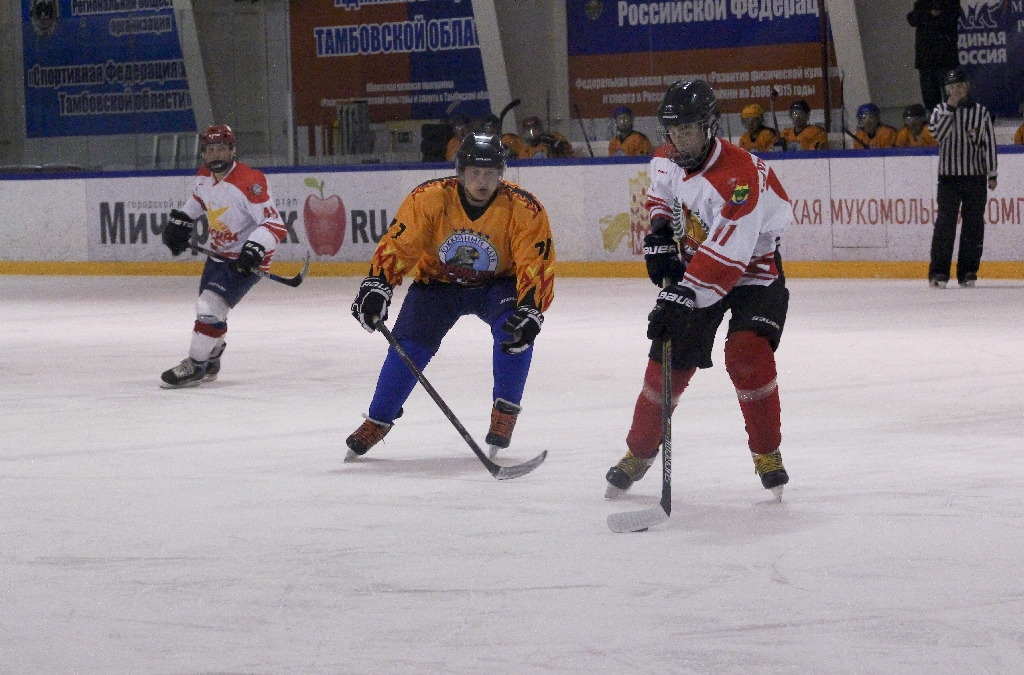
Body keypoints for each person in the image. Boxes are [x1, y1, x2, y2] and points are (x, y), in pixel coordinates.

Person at [605, 80, 793, 499]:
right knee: (668, 359)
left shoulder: (740, 177)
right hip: (699, 263)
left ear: (710, 127)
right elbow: (660, 193)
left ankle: (767, 451)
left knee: (746, 354)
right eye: (673, 130)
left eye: (688, 130)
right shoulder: (666, 156)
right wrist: (658, 232)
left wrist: (683, 295)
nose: (680, 140)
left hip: (753, 271)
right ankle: (638, 451)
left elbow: (730, 255)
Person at [346, 133, 556, 461]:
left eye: (490, 174)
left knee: (514, 332)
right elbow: (399, 245)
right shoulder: (429, 198)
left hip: (499, 284)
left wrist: (531, 309)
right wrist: (378, 284)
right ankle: (378, 419)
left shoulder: (524, 208)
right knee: (408, 345)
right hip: (438, 284)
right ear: (460, 172)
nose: (483, 181)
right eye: (475, 173)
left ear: (501, 173)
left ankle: (505, 410)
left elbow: (535, 262)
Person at [159, 124, 287, 388]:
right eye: (210, 150)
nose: (215, 155)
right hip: (218, 255)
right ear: (203, 153)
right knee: (211, 311)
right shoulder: (204, 176)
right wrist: (182, 219)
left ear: (232, 151)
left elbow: (274, 225)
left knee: (209, 307)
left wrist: (253, 249)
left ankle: (195, 365)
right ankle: (212, 358)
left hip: (246, 261)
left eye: (221, 149)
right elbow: (198, 201)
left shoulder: (250, 181)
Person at [928, 67, 998, 288]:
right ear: (946, 90)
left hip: (975, 177)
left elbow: (989, 144)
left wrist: (992, 174)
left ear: (967, 87)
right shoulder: (939, 111)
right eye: (952, 87)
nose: (956, 90)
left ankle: (968, 271)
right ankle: (939, 272)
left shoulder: (981, 112)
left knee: (973, 226)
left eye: (959, 86)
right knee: (945, 226)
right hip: (948, 179)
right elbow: (938, 135)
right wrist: (950, 109)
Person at [907, 0, 961, 111]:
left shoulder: (951, 3)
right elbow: (912, 20)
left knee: (950, 95)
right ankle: (934, 118)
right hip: (926, 59)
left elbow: (952, 19)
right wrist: (928, 13)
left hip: (946, 58)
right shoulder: (922, 4)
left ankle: (951, 118)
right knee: (930, 97)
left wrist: (937, 13)